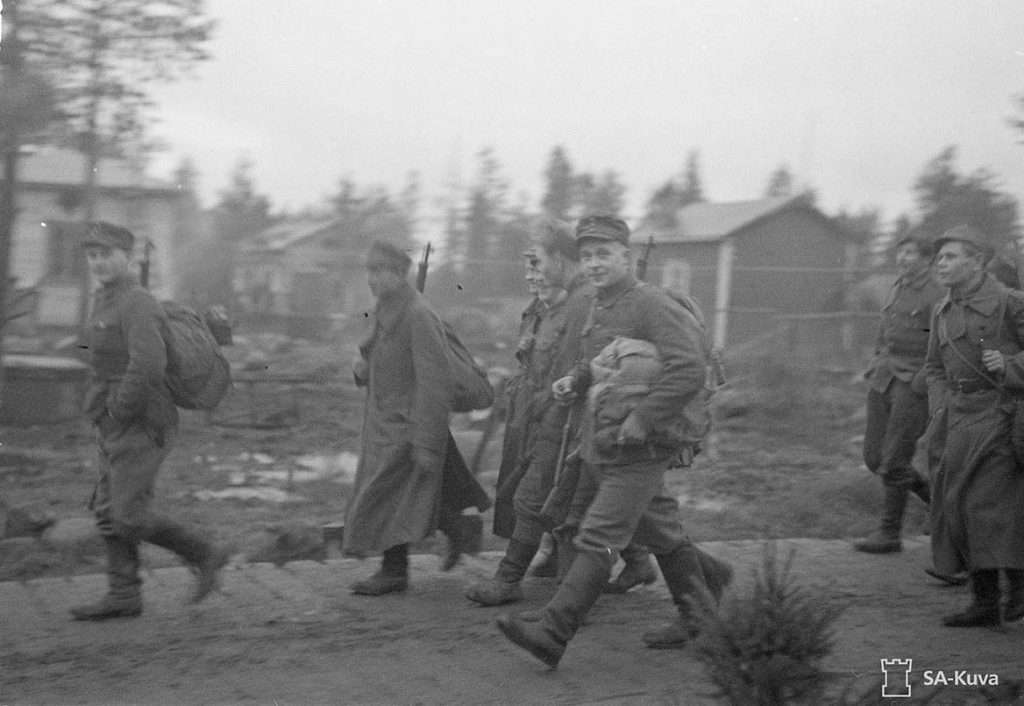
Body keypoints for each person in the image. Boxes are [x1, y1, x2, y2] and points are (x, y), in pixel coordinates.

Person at [496, 215, 732, 668]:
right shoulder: (599, 305)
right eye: (586, 256)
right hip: (602, 438)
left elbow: (689, 369)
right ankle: (702, 605)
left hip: (640, 444)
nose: (594, 264)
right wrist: (573, 379)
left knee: (598, 535)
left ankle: (553, 632)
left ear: (625, 256)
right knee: (657, 529)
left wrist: (644, 417)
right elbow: (602, 362)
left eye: (604, 254)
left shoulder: (650, 304)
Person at [71, 222, 229, 620]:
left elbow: (149, 365)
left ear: (126, 256)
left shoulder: (138, 303)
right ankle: (123, 594)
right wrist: (102, 410)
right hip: (109, 417)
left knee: (127, 513)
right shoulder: (103, 299)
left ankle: (205, 553)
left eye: (107, 254)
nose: (99, 263)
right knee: (109, 509)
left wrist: (119, 408)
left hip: (142, 419)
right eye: (93, 256)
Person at [344, 240, 489, 593]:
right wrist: (362, 370)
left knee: (386, 495)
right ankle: (454, 530)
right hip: (383, 423)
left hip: (407, 426)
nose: (371, 279)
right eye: (369, 271)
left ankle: (395, 570)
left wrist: (426, 441)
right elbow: (380, 356)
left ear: (398, 274)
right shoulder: (386, 307)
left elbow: (435, 382)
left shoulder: (418, 315)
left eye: (378, 272)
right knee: (399, 495)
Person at [466, 219, 584, 606]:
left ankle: (509, 579)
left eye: (537, 260)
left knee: (533, 497)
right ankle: (633, 564)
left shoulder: (577, 308)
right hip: (539, 414)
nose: (531, 272)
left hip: (562, 419)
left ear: (561, 260)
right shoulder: (546, 308)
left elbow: (569, 373)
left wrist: (546, 408)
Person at [925, 224, 1024, 627]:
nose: (941, 264)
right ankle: (984, 602)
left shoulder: (1010, 303)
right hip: (958, 418)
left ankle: (1017, 588)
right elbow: (933, 367)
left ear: (978, 261)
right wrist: (940, 408)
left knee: (988, 507)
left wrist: (1014, 365)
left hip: (1001, 415)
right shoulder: (942, 310)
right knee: (958, 507)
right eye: (939, 258)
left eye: (951, 257)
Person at [855, 235, 942, 554]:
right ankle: (935, 498)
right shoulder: (898, 286)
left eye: (912, 253)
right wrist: (876, 359)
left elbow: (942, 342)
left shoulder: (937, 294)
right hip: (884, 376)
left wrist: (922, 380)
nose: (904, 258)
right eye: (901, 252)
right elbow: (885, 327)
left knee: (895, 459)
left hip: (913, 382)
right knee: (874, 457)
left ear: (927, 259)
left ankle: (890, 534)